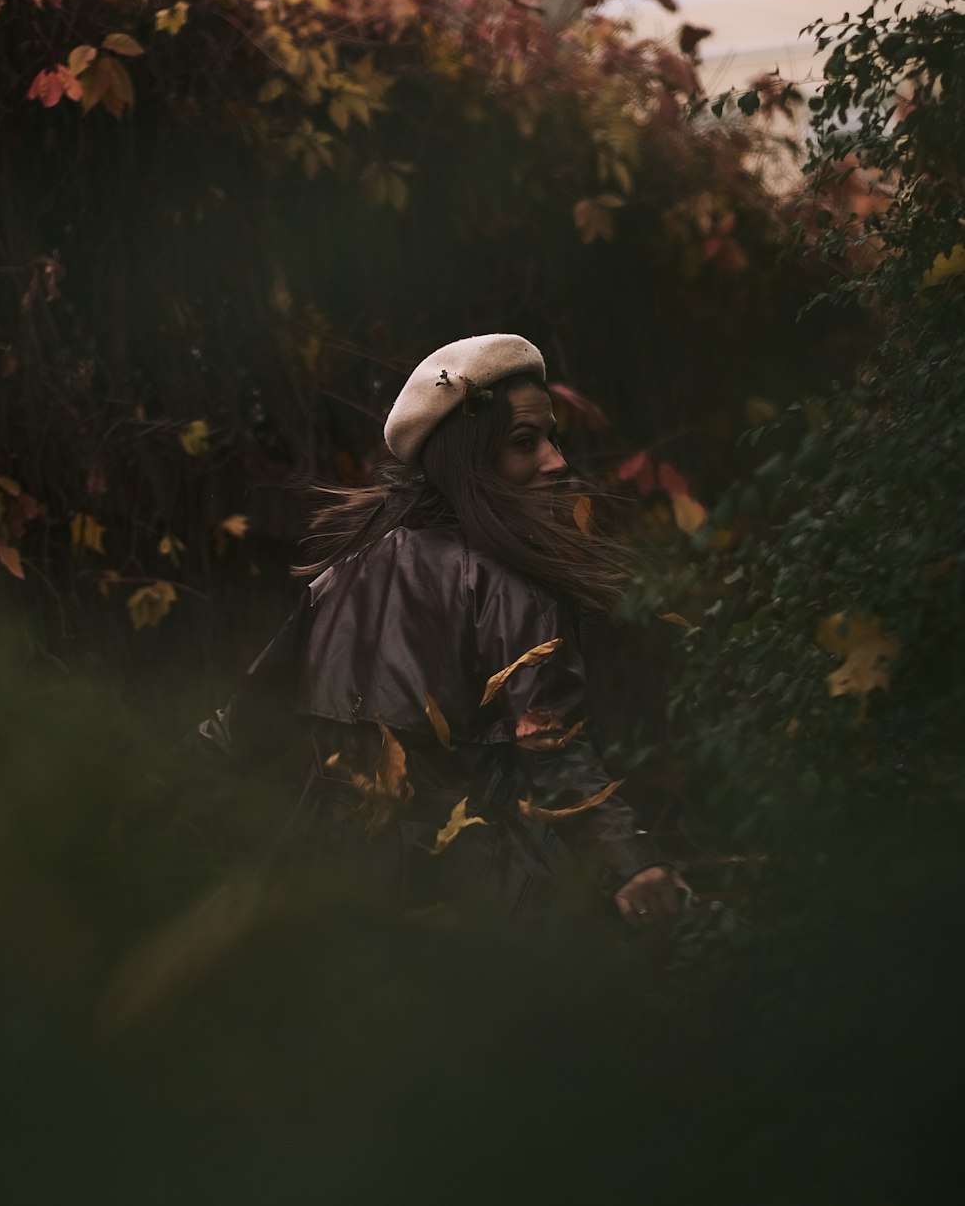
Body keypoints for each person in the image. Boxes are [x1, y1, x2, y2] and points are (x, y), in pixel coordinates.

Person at [181, 334, 687, 927]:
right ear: (468, 457)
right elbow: (554, 757)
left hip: (325, 899)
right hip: (469, 898)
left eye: (552, 438)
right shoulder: (510, 591)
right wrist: (629, 864)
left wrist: (138, 808)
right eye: (525, 443)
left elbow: (237, 729)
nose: (556, 461)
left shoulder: (337, 580)